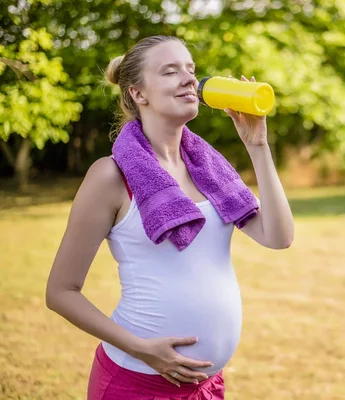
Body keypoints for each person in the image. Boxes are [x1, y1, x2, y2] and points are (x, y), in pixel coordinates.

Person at [45, 35, 294, 399]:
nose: (189, 79)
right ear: (138, 94)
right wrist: (140, 348)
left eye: (191, 69)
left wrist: (257, 146)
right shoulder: (111, 176)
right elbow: (60, 292)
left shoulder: (209, 171)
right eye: (170, 71)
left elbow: (279, 236)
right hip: (136, 383)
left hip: (207, 385)